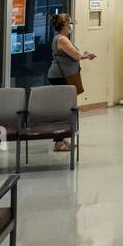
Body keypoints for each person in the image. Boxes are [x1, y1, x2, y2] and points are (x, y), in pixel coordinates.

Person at [48, 13, 95, 152]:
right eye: (70, 23)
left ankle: (62, 139)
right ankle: (58, 142)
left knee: (65, 109)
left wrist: (83, 55)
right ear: (65, 25)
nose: (71, 26)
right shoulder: (61, 39)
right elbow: (76, 55)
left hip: (64, 76)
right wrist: (84, 55)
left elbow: (76, 53)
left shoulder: (63, 38)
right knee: (62, 110)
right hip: (60, 77)